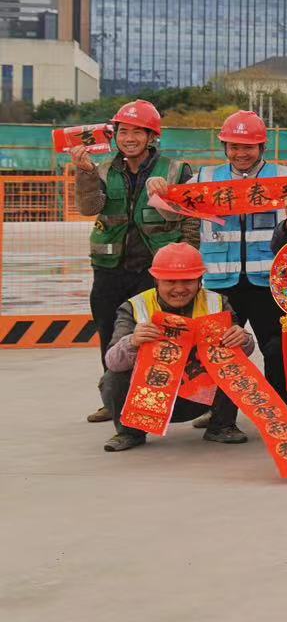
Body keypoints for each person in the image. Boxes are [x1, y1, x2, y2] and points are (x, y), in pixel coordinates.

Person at [70, 98, 196, 424]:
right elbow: (89, 207)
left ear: (152, 136)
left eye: (138, 132)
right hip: (110, 268)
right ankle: (111, 398)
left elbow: (191, 218)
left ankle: (170, 398)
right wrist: (84, 173)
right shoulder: (102, 169)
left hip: (157, 270)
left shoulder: (176, 170)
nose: (129, 138)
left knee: (165, 334)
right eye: (123, 131)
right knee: (109, 332)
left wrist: (188, 259)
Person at [193, 110, 287, 434]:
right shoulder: (205, 179)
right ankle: (220, 421)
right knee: (222, 351)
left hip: (269, 284)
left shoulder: (285, 177)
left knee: (279, 351)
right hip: (220, 284)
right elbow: (169, 207)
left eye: (248, 146)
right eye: (234, 146)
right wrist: (158, 187)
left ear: (262, 146)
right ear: (224, 147)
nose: (240, 153)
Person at [99, 242, 256, 450]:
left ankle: (221, 425)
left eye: (188, 281)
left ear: (200, 279)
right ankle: (130, 432)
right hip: (151, 398)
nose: (180, 289)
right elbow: (113, 361)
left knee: (235, 366)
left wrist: (243, 339)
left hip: (199, 398)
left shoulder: (217, 303)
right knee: (112, 378)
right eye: (170, 281)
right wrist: (132, 342)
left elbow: (242, 352)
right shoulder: (135, 307)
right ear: (156, 279)